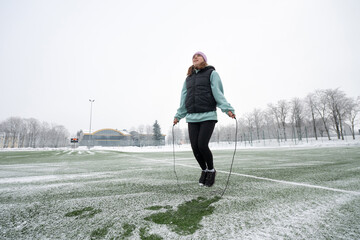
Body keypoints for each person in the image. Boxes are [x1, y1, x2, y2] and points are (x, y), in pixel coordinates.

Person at [173, 51, 235, 187]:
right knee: (195, 147)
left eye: (198, 56)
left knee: (202, 145)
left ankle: (211, 170)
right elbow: (184, 98)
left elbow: (218, 93)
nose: (195, 57)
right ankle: (204, 170)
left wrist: (227, 109)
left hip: (208, 115)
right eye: (193, 57)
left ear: (204, 60)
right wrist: (178, 115)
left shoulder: (212, 73)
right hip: (192, 117)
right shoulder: (188, 78)